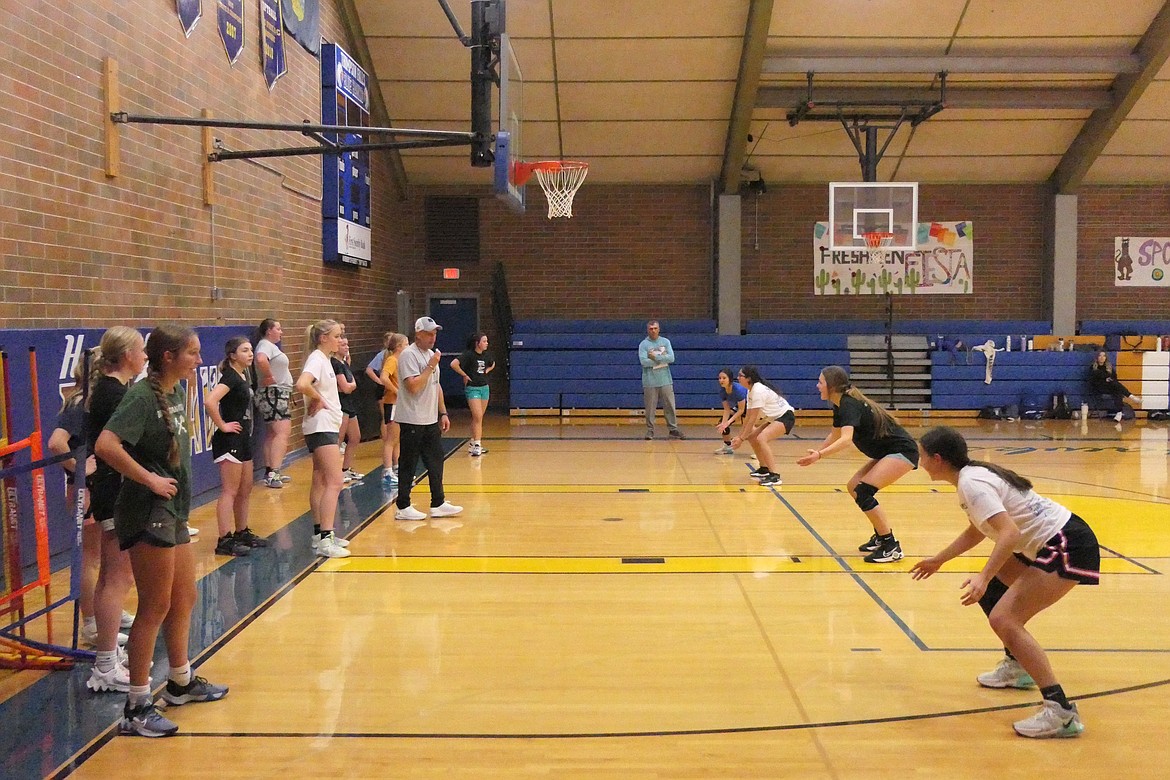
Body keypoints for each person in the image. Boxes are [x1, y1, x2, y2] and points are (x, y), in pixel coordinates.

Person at [911, 426, 1099, 739]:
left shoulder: (972, 484)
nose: (920, 462)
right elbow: (978, 530)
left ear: (938, 459)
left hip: (1065, 543)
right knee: (995, 593)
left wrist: (983, 576)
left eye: (922, 456)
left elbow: (1008, 533)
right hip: (1048, 541)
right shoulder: (970, 478)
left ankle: (1061, 712)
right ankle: (1018, 667)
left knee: (1005, 618)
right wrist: (940, 559)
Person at [95, 324, 229, 737]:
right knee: (154, 606)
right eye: (192, 353)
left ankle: (180, 681)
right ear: (168, 357)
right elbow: (106, 445)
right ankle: (136, 707)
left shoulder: (172, 392)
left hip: (173, 511)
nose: (200, 361)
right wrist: (149, 480)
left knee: (184, 596)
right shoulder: (138, 397)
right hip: (147, 510)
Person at [796, 365, 918, 563]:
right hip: (887, 452)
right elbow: (835, 434)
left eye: (821, 382)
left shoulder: (849, 404)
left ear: (832, 386)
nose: (817, 386)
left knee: (863, 491)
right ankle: (880, 536)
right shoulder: (840, 404)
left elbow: (845, 439)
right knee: (854, 487)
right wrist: (817, 453)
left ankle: (891, 546)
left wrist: (819, 455)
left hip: (902, 451)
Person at [83, 328, 147, 692]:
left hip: (112, 491)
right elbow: (115, 447)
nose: (144, 357)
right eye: (141, 350)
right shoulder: (114, 393)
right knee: (117, 578)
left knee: (112, 575)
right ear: (125, 355)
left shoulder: (109, 390)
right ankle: (106, 664)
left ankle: (107, 657)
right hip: (116, 492)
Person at [47, 352, 105, 648]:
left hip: (99, 486)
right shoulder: (79, 402)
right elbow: (56, 443)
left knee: (104, 556)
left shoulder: (95, 401)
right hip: (85, 488)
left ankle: (106, 613)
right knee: (90, 559)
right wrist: (80, 468)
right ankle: (91, 626)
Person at [394, 317, 462, 521]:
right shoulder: (408, 355)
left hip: (430, 418)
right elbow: (413, 386)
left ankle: (438, 502)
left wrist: (443, 412)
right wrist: (431, 366)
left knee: (436, 460)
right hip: (412, 418)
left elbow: (436, 385)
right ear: (418, 335)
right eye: (429, 334)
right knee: (409, 462)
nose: (433, 337)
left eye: (435, 333)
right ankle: (403, 506)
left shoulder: (431, 354)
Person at [204, 336, 267, 557]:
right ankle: (224, 539)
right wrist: (222, 425)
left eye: (251, 350)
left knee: (245, 488)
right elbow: (210, 401)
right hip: (230, 440)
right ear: (232, 355)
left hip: (244, 439)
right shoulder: (230, 377)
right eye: (244, 351)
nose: (250, 354)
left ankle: (242, 532)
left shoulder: (243, 374)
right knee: (230, 490)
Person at [295, 320, 350, 558]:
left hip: (325, 425)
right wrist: (316, 398)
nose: (340, 340)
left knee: (319, 479)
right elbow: (302, 384)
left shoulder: (325, 359)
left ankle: (319, 534)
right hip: (322, 426)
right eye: (337, 336)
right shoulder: (317, 358)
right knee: (335, 481)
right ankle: (327, 538)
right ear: (323, 338)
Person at [731, 365, 795, 486]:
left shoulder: (758, 390)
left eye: (740, 376)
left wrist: (740, 439)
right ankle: (764, 469)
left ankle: (775, 475)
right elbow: (748, 418)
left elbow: (753, 419)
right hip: (773, 418)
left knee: (761, 438)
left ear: (748, 378)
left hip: (785, 417)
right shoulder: (750, 392)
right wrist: (740, 437)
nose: (738, 378)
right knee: (752, 437)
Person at [253, 319, 294, 488]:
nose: (281, 332)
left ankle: (270, 469)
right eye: (278, 328)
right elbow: (261, 360)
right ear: (269, 330)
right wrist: (269, 376)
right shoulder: (265, 345)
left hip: (276, 393)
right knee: (282, 432)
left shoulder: (270, 346)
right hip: (274, 393)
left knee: (272, 433)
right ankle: (274, 472)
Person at [450, 332, 496, 456]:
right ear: (477, 343)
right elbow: (453, 364)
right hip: (473, 388)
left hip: (484, 388)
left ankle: (473, 443)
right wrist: (464, 374)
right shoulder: (469, 355)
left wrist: (488, 370)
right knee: (477, 415)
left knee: (479, 418)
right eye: (484, 341)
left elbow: (493, 363)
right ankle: (477, 444)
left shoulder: (486, 355)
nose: (487, 343)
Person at [639, 320, 685, 440]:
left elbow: (671, 358)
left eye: (655, 328)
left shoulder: (665, 342)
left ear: (659, 329)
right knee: (650, 408)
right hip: (650, 381)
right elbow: (644, 362)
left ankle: (673, 429)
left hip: (665, 380)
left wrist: (655, 356)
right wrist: (662, 359)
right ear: (647, 330)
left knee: (670, 405)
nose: (653, 331)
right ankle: (650, 430)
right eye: (651, 329)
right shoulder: (643, 344)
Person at [333, 326, 364, 483]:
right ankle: (335, 472)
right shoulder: (335, 363)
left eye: (347, 345)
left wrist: (351, 384)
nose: (347, 347)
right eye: (343, 345)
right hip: (341, 404)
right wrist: (352, 385)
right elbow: (346, 387)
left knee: (355, 436)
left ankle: (346, 469)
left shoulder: (343, 363)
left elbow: (350, 383)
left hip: (349, 403)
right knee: (338, 439)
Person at [379, 333, 409, 489]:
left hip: (399, 403)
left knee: (397, 438)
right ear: (399, 347)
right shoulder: (392, 360)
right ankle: (387, 471)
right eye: (406, 344)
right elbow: (384, 377)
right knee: (391, 439)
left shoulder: (401, 360)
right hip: (392, 402)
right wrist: (397, 391)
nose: (408, 347)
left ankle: (397, 467)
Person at [1089, 350, 1142, 422]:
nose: (1102, 357)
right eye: (1100, 355)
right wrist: (1105, 379)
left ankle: (1119, 413)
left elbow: (1114, 377)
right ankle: (1131, 397)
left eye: (1104, 356)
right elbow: (1095, 379)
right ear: (1097, 357)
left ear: (1106, 358)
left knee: (1117, 389)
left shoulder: (1109, 367)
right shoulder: (1093, 367)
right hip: (1099, 388)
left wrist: (1108, 379)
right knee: (1114, 385)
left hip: (1109, 386)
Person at [365, 331, 394, 436]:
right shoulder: (382, 355)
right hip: (384, 389)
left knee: (392, 418)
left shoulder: (396, 355)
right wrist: (380, 381)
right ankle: (387, 442)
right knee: (385, 417)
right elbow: (369, 370)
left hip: (392, 388)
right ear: (386, 343)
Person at [713, 367, 747, 454]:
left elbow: (741, 410)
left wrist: (728, 422)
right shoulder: (722, 391)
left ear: (730, 379)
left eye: (724, 378)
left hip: (751, 405)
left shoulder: (738, 390)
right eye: (720, 378)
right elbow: (727, 409)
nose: (721, 380)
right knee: (722, 423)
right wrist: (724, 423)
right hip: (740, 406)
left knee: (750, 429)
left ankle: (759, 451)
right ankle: (728, 446)